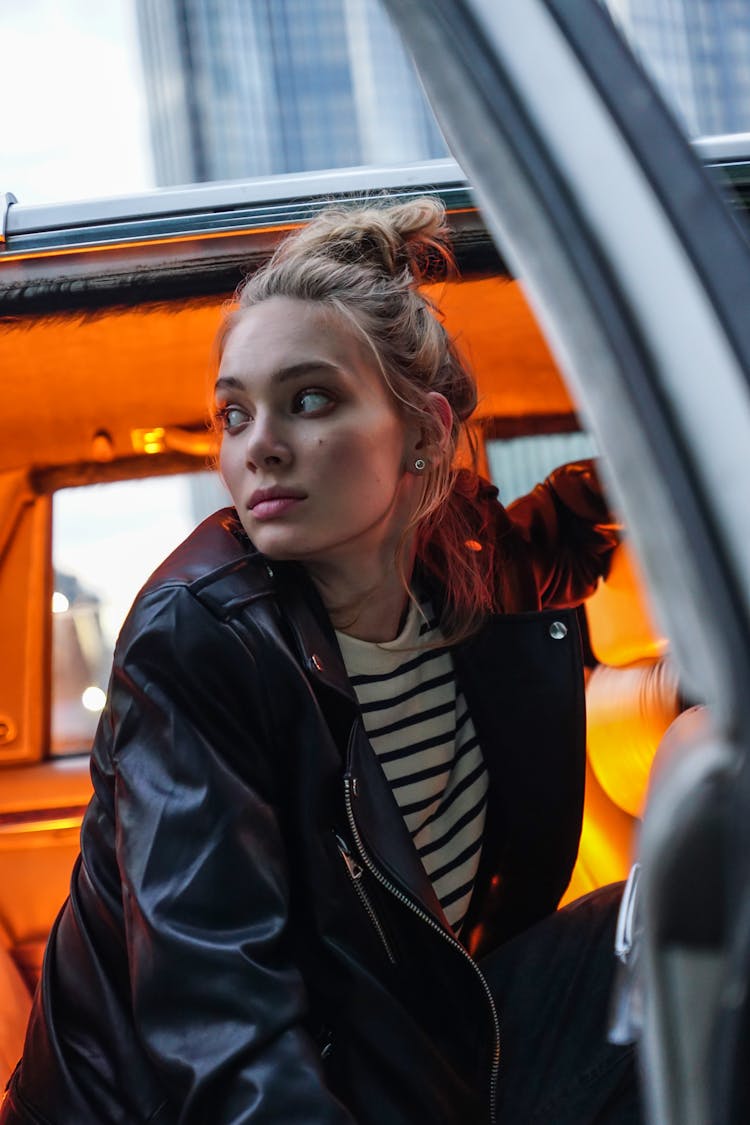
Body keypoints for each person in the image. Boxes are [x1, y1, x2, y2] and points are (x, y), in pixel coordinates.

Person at [0, 198, 639, 1124]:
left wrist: (645, 482)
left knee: (682, 902)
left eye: (308, 399)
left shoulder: (457, 557)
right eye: (233, 411)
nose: (256, 444)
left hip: (405, 1034)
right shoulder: (196, 640)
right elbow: (224, 1014)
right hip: (204, 1099)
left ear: (420, 434)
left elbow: (557, 542)